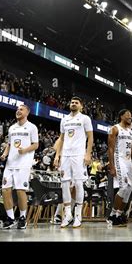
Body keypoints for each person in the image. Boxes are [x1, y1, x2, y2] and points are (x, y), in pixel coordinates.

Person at [54, 96, 94, 228]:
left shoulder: (85, 118)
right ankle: (67, 215)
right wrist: (57, 155)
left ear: (81, 106)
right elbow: (61, 138)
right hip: (65, 155)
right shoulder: (64, 119)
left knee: (78, 184)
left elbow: (90, 137)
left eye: (76, 102)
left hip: (78, 155)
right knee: (64, 184)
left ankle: (78, 215)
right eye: (72, 102)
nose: (73, 104)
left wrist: (88, 154)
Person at [0, 104, 39, 230]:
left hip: (23, 163)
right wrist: (4, 154)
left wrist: (25, 150)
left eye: (21, 109)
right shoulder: (11, 128)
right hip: (10, 163)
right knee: (5, 189)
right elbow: (9, 144)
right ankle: (10, 218)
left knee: (21, 190)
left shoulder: (32, 127)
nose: (18, 111)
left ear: (27, 112)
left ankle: (22, 217)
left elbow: (36, 145)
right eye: (17, 109)